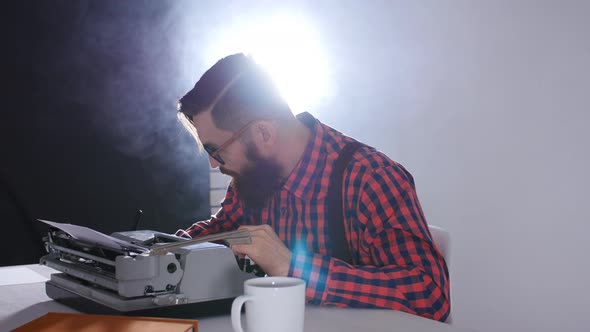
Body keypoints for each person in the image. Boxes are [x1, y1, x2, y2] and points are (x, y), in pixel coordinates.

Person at [175, 53, 450, 322]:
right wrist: (163, 250)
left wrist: (295, 269)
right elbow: (221, 230)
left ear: (263, 134)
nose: (212, 163)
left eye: (216, 150)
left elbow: (430, 295)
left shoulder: (371, 179)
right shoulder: (252, 177)